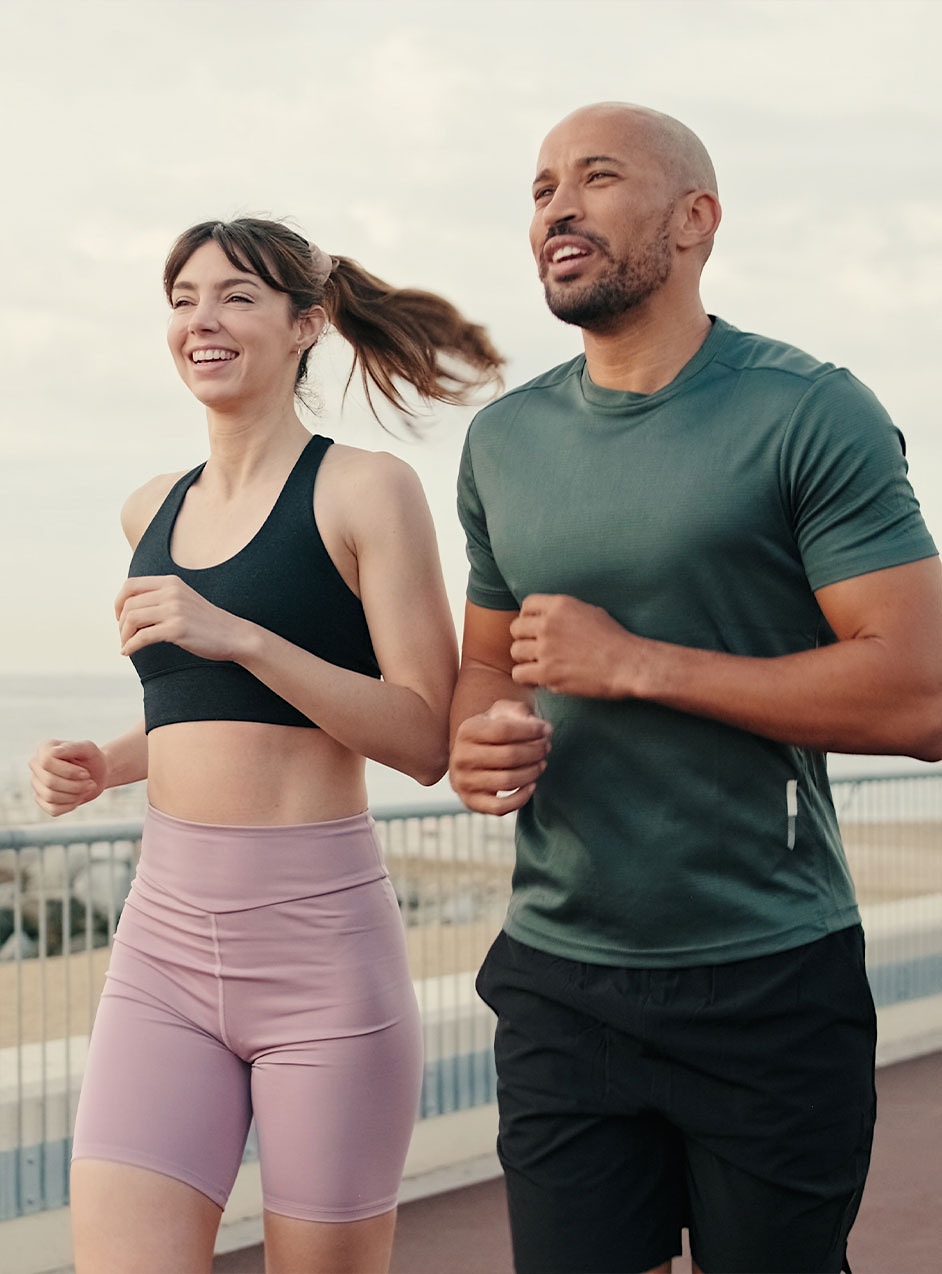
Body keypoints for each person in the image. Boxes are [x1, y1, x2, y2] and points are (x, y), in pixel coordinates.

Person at [448, 102, 942, 1274]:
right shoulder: (502, 441)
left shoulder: (808, 409)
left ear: (695, 219)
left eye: (596, 177)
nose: (556, 206)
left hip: (767, 973)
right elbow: (482, 663)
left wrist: (638, 665)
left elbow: (922, 696)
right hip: (559, 976)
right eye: (539, 188)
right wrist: (477, 740)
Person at [29, 216, 503, 1274]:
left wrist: (240, 633)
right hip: (160, 952)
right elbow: (202, 712)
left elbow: (424, 734)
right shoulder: (149, 508)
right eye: (184, 296)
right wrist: (107, 762)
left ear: (306, 326)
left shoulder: (365, 490)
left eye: (237, 295)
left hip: (321, 956)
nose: (203, 317)